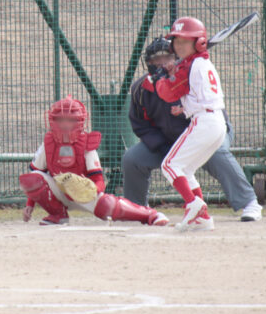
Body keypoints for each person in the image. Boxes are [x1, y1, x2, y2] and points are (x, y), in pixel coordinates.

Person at [123, 37, 262, 222]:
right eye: (156, 59)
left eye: (168, 57)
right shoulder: (140, 88)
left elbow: (207, 111)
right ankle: (138, 209)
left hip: (206, 133)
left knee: (218, 154)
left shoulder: (189, 75)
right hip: (166, 142)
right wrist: (164, 147)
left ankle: (249, 203)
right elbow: (141, 125)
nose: (162, 63)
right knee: (132, 159)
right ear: (148, 63)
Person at [19, 96, 169, 227]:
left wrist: (90, 190)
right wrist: (29, 204)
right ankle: (58, 215)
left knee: (107, 205)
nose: (65, 125)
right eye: (60, 120)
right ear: (52, 121)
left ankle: (151, 215)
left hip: (82, 195)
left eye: (70, 120)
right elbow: (37, 175)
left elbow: (99, 180)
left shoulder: (87, 145)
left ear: (79, 122)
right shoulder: (48, 144)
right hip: (58, 192)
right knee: (32, 178)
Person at [154, 17, 230, 232]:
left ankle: (193, 204)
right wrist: (185, 107)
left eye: (185, 42)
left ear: (198, 43)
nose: (179, 46)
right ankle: (202, 218)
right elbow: (195, 93)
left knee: (169, 165)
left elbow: (168, 93)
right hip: (214, 121)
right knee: (185, 169)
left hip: (205, 122)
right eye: (176, 42)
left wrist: (159, 79)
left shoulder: (189, 66)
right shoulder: (199, 63)